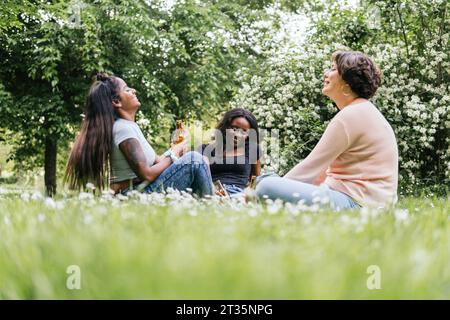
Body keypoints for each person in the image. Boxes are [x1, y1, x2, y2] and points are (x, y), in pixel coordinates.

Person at [256, 50, 398, 209]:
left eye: (332, 69)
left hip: (357, 205)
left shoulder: (351, 116)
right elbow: (321, 173)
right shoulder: (362, 111)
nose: (326, 73)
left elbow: (309, 169)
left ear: (346, 84)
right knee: (268, 180)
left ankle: (246, 198)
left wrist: (275, 189)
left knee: (266, 185)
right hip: (363, 202)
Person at [65, 73, 213, 197]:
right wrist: (174, 153)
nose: (134, 90)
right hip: (134, 194)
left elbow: (158, 161)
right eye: (127, 89)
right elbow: (147, 174)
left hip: (140, 190)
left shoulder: (130, 126)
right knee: (195, 159)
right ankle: (212, 205)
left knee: (196, 159)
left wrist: (176, 148)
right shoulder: (123, 129)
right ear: (116, 101)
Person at [199, 108, 261, 196]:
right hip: (210, 191)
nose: (237, 135)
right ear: (226, 127)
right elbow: (200, 174)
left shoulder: (252, 150)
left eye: (244, 131)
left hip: (237, 193)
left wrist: (249, 197)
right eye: (234, 128)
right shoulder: (206, 149)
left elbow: (255, 179)